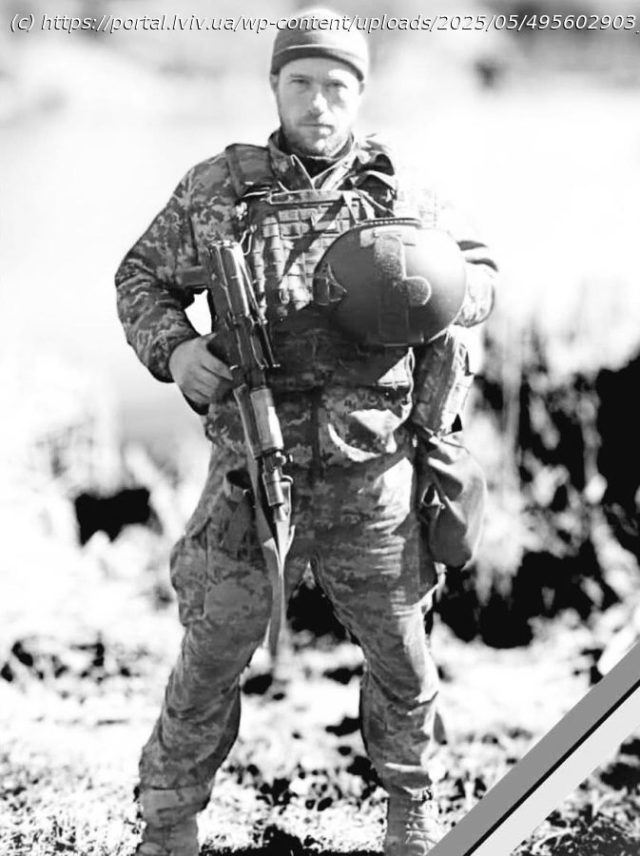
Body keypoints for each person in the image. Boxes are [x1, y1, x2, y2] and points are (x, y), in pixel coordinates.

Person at [115, 9, 497, 856]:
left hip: (375, 474)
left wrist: (436, 289)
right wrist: (177, 352)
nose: (318, 103)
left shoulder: (402, 191)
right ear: (275, 86)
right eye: (301, 83)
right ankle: (169, 823)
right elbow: (140, 277)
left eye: (336, 86)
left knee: (403, 659)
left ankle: (411, 811)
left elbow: (481, 277)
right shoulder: (218, 190)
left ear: (361, 92)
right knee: (211, 657)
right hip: (252, 475)